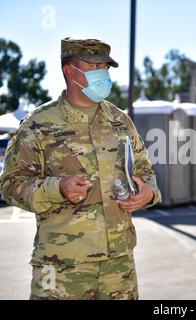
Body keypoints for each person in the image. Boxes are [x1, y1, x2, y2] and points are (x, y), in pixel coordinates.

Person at [0, 37, 161, 300]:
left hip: (118, 263)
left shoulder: (120, 121)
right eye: (94, 66)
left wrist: (148, 193)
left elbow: (145, 172)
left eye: (106, 68)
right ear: (69, 71)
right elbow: (10, 185)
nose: (103, 74)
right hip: (61, 266)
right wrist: (57, 189)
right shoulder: (38, 124)